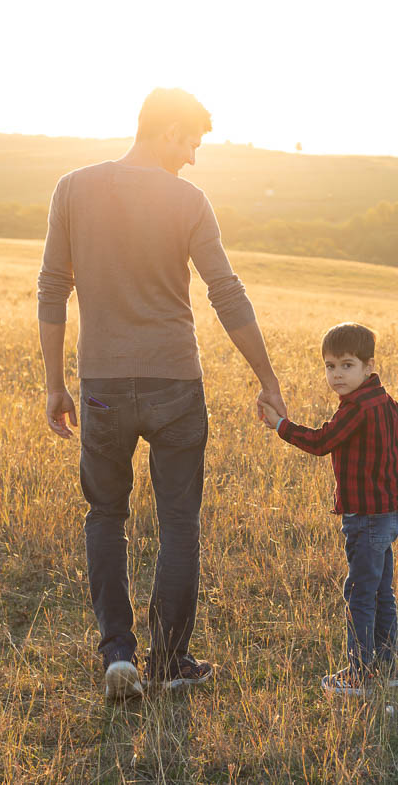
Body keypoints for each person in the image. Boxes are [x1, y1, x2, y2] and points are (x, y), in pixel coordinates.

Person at [37, 87, 287, 700]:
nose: (195, 159)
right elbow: (225, 292)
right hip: (175, 382)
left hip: (101, 384)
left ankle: (117, 656)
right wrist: (267, 378)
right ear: (170, 130)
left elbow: (51, 288)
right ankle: (170, 664)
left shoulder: (72, 187)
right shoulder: (188, 201)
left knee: (105, 515)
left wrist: (53, 383)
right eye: (193, 143)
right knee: (178, 523)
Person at [258, 323, 398, 695]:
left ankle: (360, 673)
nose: (337, 374)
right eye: (330, 366)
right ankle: (387, 667)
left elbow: (320, 442)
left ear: (368, 366)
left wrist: (281, 425)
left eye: (346, 365)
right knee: (381, 592)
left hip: (365, 518)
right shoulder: (382, 399)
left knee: (360, 594)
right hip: (389, 514)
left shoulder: (356, 408)